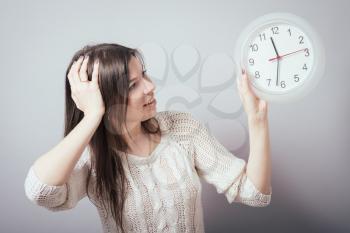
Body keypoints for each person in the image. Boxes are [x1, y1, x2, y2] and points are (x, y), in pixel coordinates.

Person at [24, 43, 272, 233]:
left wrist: (257, 119)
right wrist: (92, 117)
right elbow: (41, 192)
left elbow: (254, 194)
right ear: (103, 100)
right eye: (132, 85)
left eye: (144, 75)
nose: (150, 86)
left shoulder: (182, 128)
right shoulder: (91, 156)